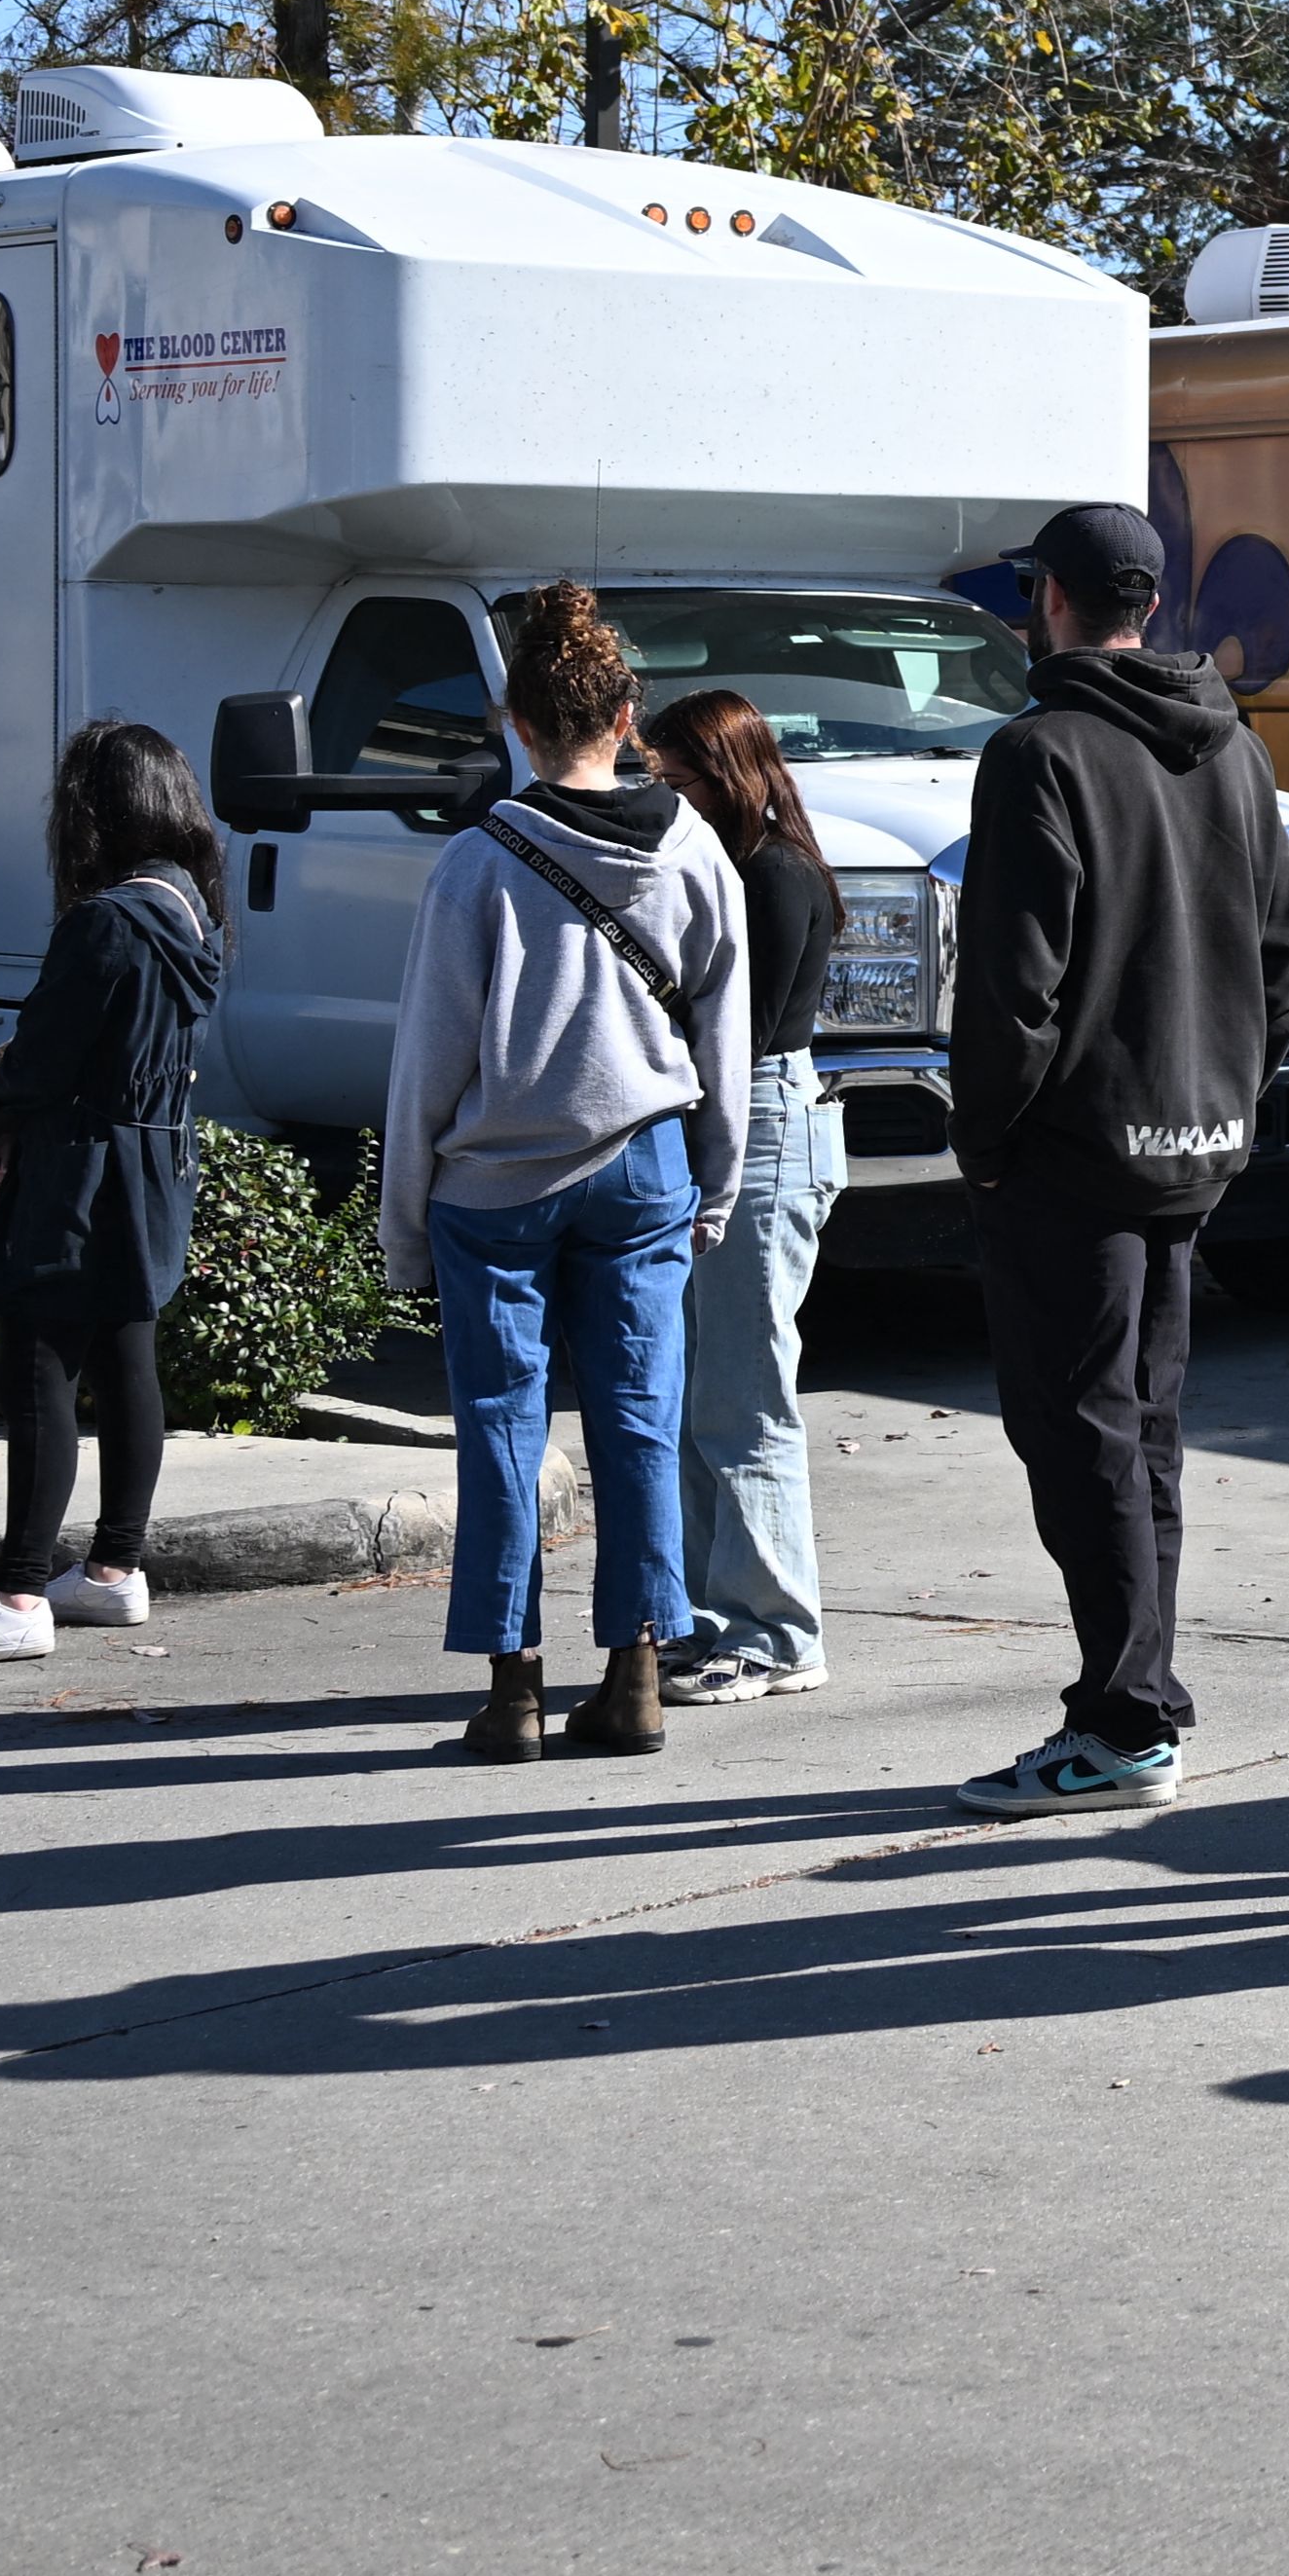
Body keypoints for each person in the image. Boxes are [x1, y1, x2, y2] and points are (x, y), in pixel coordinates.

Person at [942, 501, 1289, 1822]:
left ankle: (1127, 1717)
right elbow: (1285, 961)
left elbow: (1010, 989)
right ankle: (1133, 1699)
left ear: (1052, 600)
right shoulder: (1237, 750)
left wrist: (983, 1139)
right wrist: (1227, 1098)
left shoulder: (1039, 752)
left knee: (1081, 1432)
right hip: (1191, 1149)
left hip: (1074, 1156)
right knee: (1139, 1434)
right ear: (1149, 605)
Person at [380, 582, 747, 1765]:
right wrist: (719, 1184)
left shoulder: (477, 864)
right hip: (645, 1165)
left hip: (496, 1183)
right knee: (642, 1417)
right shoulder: (696, 852)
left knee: (501, 1421)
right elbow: (724, 1038)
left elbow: (427, 1064)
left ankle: (513, 1690)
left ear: (517, 724)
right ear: (629, 713)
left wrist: (403, 1230)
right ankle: (637, 1671)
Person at [0, 725, 230, 1670]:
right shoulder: (190, 911)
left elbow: (40, 1061)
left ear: (99, 810)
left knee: (39, 1361)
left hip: (79, 1165)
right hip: (156, 1163)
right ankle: (117, 1567)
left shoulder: (105, 920)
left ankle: (16, 1589)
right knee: (128, 1355)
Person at [644, 685, 849, 1710]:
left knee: (742, 1395)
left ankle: (776, 1633)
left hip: (761, 1119)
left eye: (679, 781)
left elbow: (738, 1034)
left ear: (728, 776)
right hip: (738, 1117)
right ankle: (718, 1618)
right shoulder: (739, 864)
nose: (667, 800)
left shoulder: (771, 873)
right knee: (700, 1397)